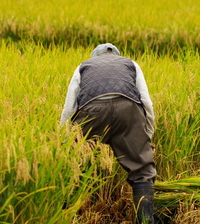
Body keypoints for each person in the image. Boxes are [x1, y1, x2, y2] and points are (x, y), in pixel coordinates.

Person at [60, 43, 156, 224]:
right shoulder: (131, 64)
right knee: (142, 171)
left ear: (94, 56)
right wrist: (147, 134)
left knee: (76, 165)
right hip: (128, 110)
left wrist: (64, 141)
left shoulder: (83, 66)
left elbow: (69, 108)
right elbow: (146, 102)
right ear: (117, 56)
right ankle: (145, 221)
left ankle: (71, 217)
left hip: (92, 111)